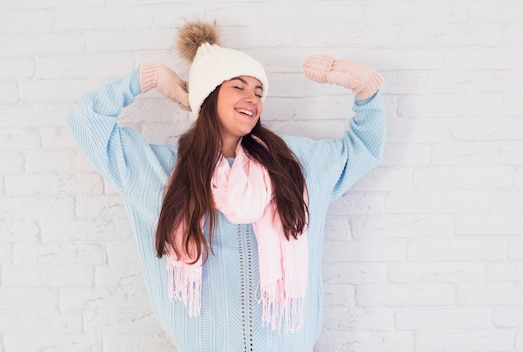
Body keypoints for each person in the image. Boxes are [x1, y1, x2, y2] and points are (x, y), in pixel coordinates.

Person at [66, 19, 385, 352]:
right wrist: (152, 78)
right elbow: (86, 123)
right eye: (240, 86)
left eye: (259, 91)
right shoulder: (159, 170)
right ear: (210, 93)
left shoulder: (294, 165)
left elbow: (364, 148)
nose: (253, 99)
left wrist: (367, 90)